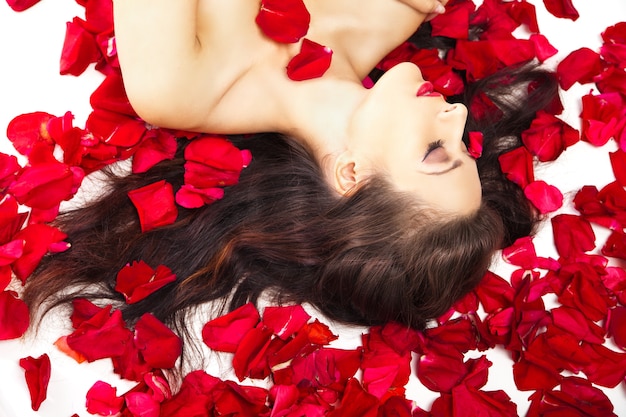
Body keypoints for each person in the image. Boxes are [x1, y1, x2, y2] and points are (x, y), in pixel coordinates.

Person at [23, 0, 557, 356]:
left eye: (439, 152)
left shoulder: (178, 85)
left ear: (351, 172)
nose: (459, 117)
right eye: (465, 146)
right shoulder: (393, 12)